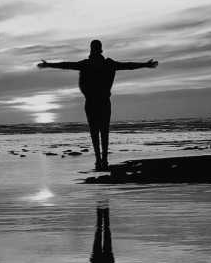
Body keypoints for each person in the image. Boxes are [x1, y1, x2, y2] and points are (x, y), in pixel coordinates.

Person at [37, 39, 158, 170]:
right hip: (103, 102)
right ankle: (103, 159)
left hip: (92, 102)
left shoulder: (87, 64)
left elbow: (66, 65)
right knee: (104, 131)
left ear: (91, 50)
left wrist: (48, 65)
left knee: (94, 131)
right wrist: (145, 65)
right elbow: (128, 65)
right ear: (100, 50)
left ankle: (98, 159)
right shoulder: (108, 64)